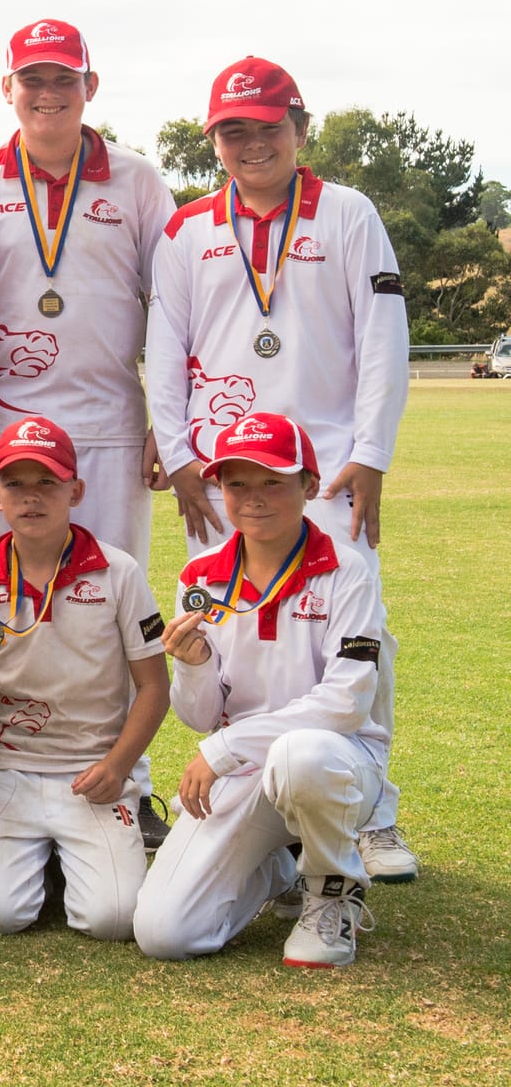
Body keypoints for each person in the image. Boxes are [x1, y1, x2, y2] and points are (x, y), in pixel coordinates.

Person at [145, 57, 414, 884]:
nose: (251, 144)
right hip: (229, 471)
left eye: (267, 127)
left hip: (325, 469)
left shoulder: (348, 212)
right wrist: (183, 457)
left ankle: (372, 809)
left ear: (300, 125)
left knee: (357, 623)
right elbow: (163, 349)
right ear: (214, 141)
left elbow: (382, 337)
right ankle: (263, 798)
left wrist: (369, 453)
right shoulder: (187, 229)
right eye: (233, 131)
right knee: (231, 637)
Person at [0, 18, 175, 842]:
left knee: (111, 611)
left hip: (110, 426)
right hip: (3, 430)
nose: (48, 95)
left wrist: (167, 424)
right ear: (6, 89)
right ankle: (5, 775)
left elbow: (174, 311)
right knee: (0, 611)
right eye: (32, 80)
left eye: (64, 80)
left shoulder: (141, 183)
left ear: (92, 87)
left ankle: (128, 780)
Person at [133, 414, 389, 969]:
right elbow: (200, 717)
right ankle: (277, 866)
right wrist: (196, 666)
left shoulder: (348, 573)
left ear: (309, 485)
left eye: (273, 481)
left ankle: (332, 889)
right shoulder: (200, 577)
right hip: (245, 775)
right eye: (236, 484)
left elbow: (346, 702)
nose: (254, 498)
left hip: (337, 765)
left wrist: (225, 749)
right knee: (164, 934)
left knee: (301, 753)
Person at [0, 417, 170, 940]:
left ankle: (66, 855)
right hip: (10, 770)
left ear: (76, 490)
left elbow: (155, 688)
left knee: (112, 920)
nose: (32, 497)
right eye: (16, 484)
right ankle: (44, 859)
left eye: (47, 482)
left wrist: (119, 767)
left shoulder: (119, 573)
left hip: (93, 773)